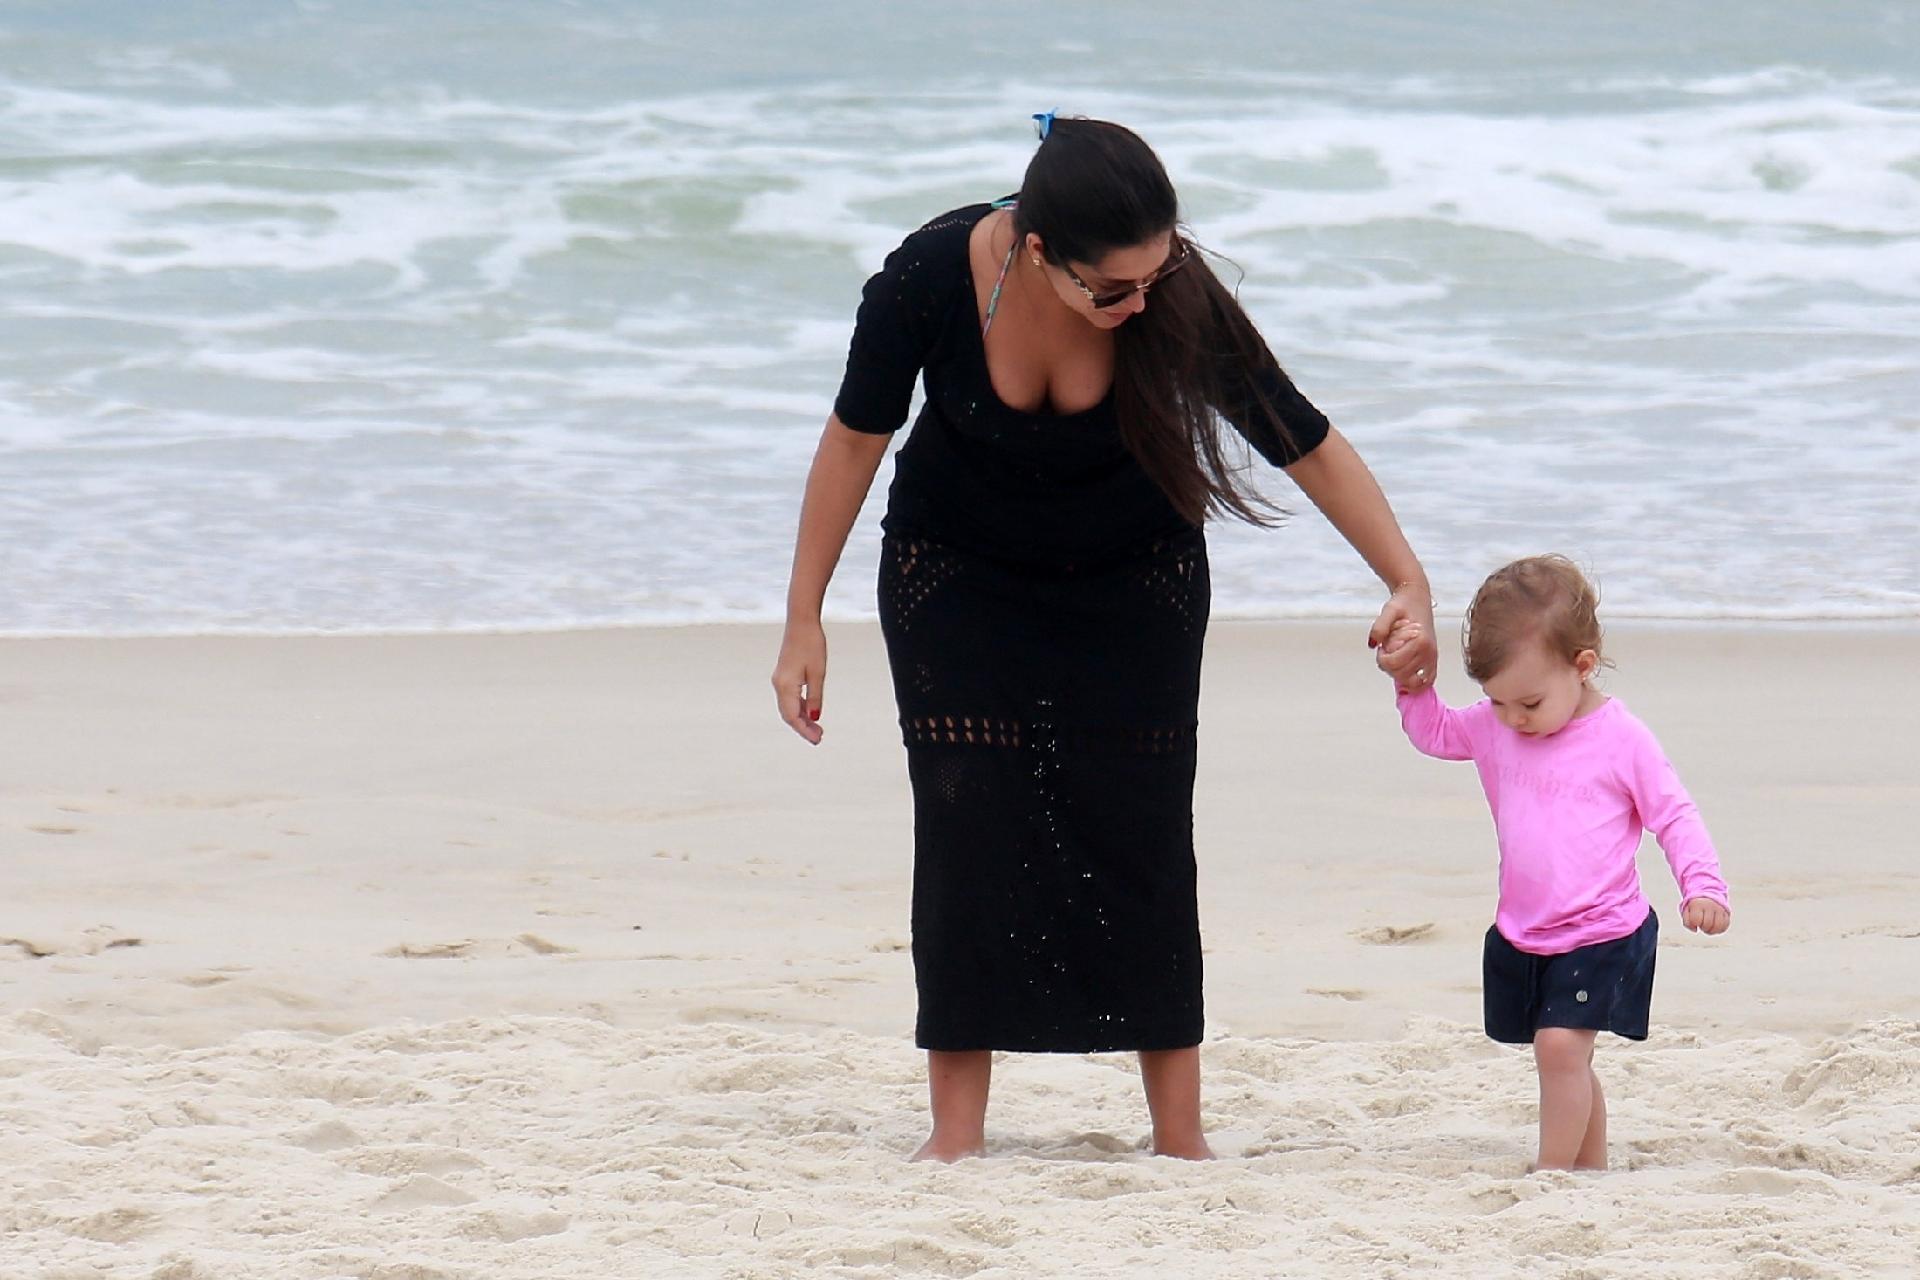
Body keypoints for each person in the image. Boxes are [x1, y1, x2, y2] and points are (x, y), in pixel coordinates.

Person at [772, 114, 1438, 1162]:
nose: (1141, 303)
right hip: (956, 570)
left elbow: (1298, 434)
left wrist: (1405, 575)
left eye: (1156, 275)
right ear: (1038, 252)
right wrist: (803, 614)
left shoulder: (1169, 292)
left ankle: (1181, 1136)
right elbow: (856, 438)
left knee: (1140, 829)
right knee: (966, 824)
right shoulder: (927, 279)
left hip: (1137, 572)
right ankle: (955, 1139)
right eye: (1114, 290)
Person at [1376, 555, 1732, 1171]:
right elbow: (1435, 733)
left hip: (1603, 930)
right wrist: (1413, 686)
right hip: (1526, 928)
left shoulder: (1622, 739)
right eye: (1497, 701)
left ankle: (1553, 1176)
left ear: (1582, 665)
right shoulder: (1496, 724)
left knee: (1560, 1049)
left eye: (1530, 703)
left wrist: (1703, 884)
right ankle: (1589, 1167)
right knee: (1567, 1055)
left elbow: (1673, 814)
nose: (1513, 718)